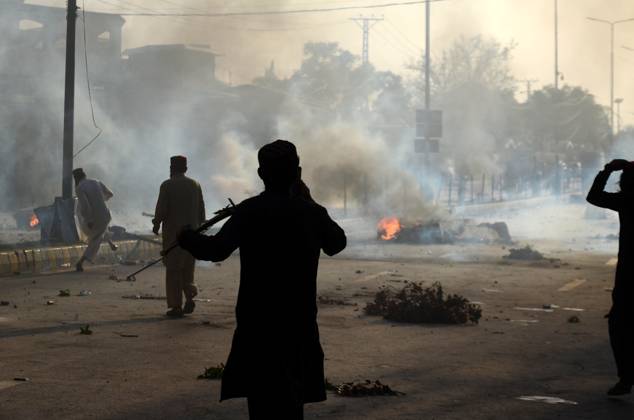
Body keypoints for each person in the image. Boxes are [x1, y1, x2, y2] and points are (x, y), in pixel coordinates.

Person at [178, 140, 346, 419]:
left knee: (261, 404)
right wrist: (309, 200)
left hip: (258, 326)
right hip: (298, 324)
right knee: (293, 405)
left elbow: (216, 249)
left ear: (261, 174)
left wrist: (187, 237)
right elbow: (336, 243)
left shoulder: (249, 211)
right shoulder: (311, 213)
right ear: (298, 173)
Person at [587, 159, 634, 396]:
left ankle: (626, 377)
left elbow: (593, 196)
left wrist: (607, 170)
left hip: (629, 275)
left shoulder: (626, 200)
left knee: (619, 324)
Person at [153, 156, 205, 318]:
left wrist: (156, 223)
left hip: (174, 236)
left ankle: (176, 306)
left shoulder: (167, 185)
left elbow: (162, 208)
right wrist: (200, 228)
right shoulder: (195, 184)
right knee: (188, 269)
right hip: (192, 235)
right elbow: (201, 209)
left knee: (174, 270)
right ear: (185, 169)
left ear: (171, 168)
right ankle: (189, 295)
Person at [74, 168, 116, 272]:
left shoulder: (79, 188)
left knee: (94, 239)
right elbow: (110, 194)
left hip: (95, 218)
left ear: (76, 179)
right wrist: (101, 200)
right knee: (99, 232)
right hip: (106, 216)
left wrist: (89, 220)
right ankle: (111, 243)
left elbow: (85, 206)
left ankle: (80, 262)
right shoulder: (96, 181)